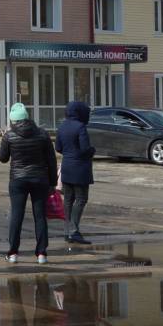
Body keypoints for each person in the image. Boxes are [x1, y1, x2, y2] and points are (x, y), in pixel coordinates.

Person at [0, 102, 59, 264]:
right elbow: (51, 161)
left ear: (13, 120)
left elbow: (2, 158)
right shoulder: (42, 134)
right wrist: (53, 182)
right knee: (40, 216)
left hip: (18, 180)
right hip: (40, 179)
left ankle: (13, 253)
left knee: (17, 215)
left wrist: (5, 139)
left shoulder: (9, 136)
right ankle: (41, 253)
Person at [56, 100, 95, 244]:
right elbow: (85, 149)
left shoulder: (62, 126)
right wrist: (92, 151)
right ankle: (74, 231)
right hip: (80, 169)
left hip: (67, 167)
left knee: (68, 200)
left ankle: (67, 232)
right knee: (81, 199)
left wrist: (69, 152)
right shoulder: (80, 127)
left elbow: (58, 148)